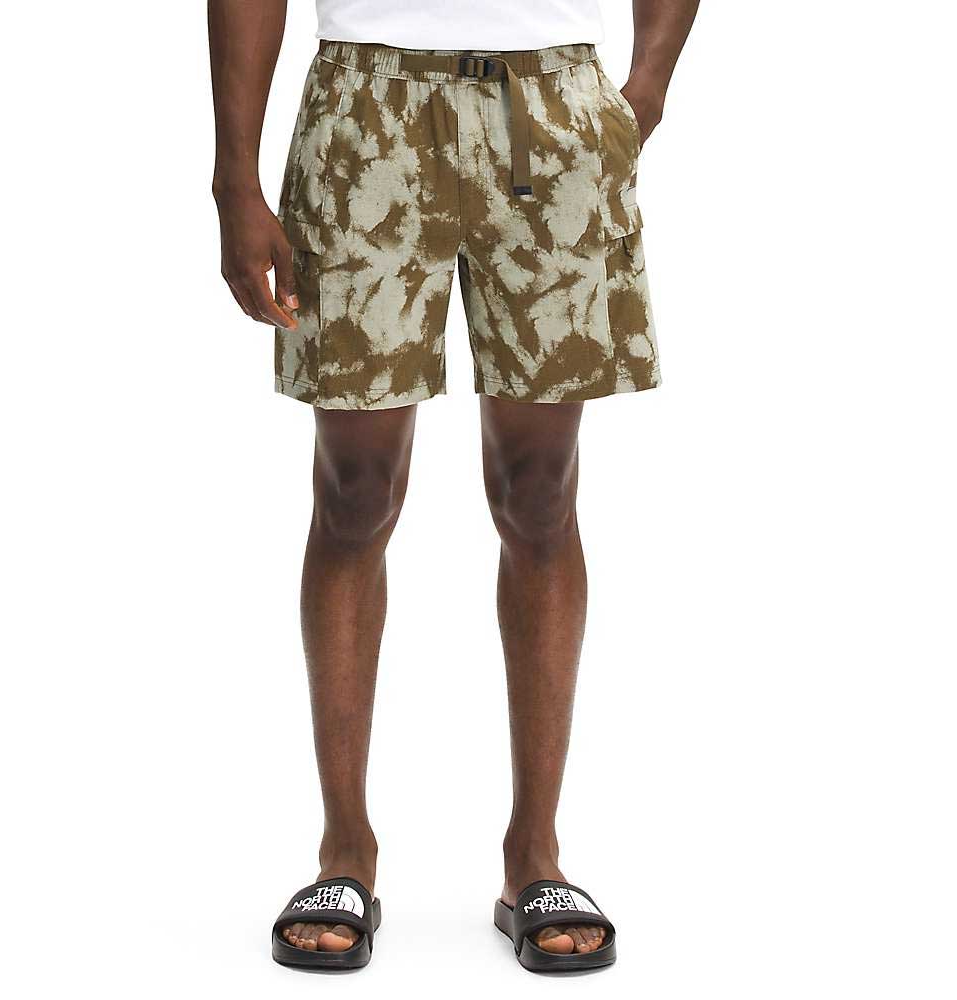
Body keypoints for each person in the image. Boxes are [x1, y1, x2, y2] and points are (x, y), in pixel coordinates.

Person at [209, 0, 698, 973]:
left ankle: (535, 856)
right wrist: (235, 177)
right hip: (365, 106)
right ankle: (344, 851)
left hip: (552, 105)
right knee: (354, 491)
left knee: (539, 490)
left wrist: (645, 88)